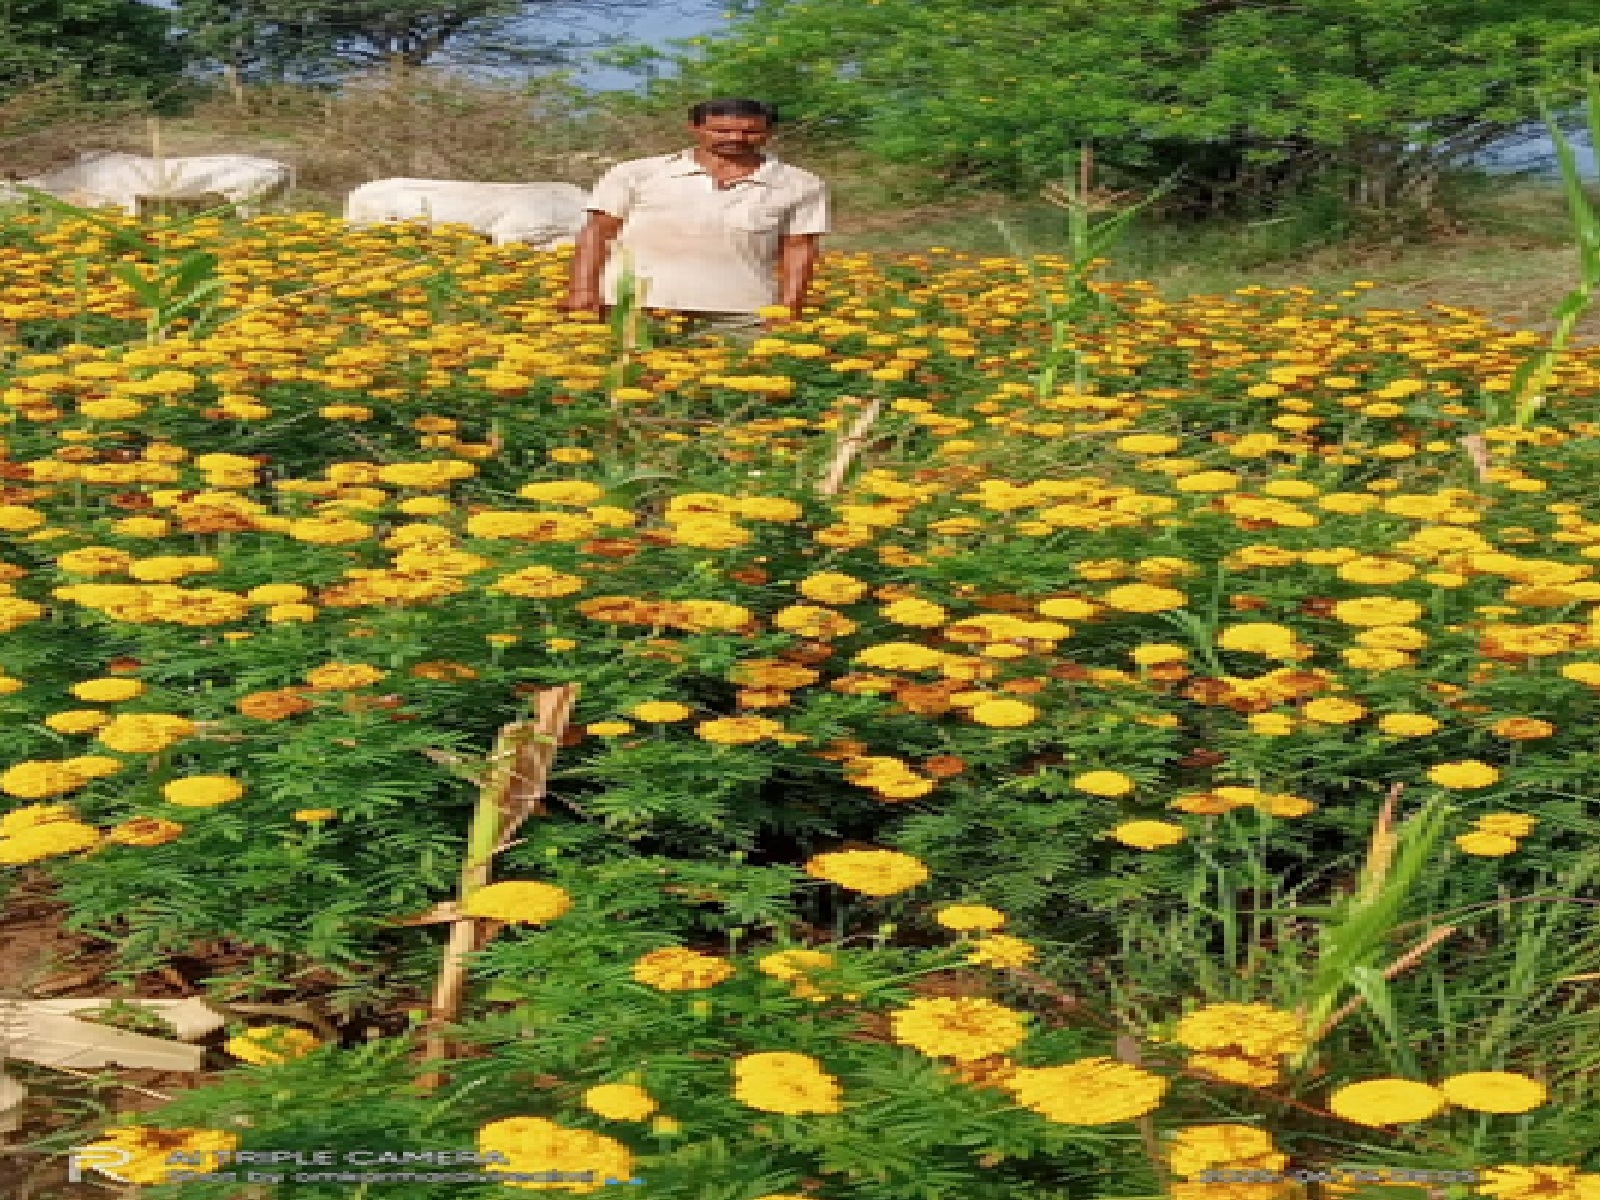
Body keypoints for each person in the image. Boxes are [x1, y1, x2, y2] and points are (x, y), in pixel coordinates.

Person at [561, 98, 830, 344]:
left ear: (769, 133)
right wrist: (583, 290)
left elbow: (800, 248)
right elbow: (597, 233)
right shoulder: (638, 173)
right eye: (721, 131)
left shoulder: (800, 184)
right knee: (632, 385)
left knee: (736, 389)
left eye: (750, 132)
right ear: (695, 128)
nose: (736, 138)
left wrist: (789, 308)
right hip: (638, 306)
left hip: (742, 314)